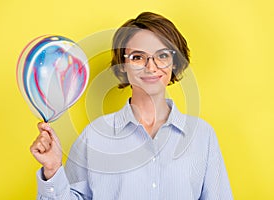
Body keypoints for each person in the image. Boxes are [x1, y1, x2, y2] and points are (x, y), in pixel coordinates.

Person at [30, 12, 233, 199]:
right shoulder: (94, 136)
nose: (151, 67)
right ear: (123, 64)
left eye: (162, 55)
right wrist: (53, 168)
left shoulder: (202, 136)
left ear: (174, 62)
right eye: (138, 57)